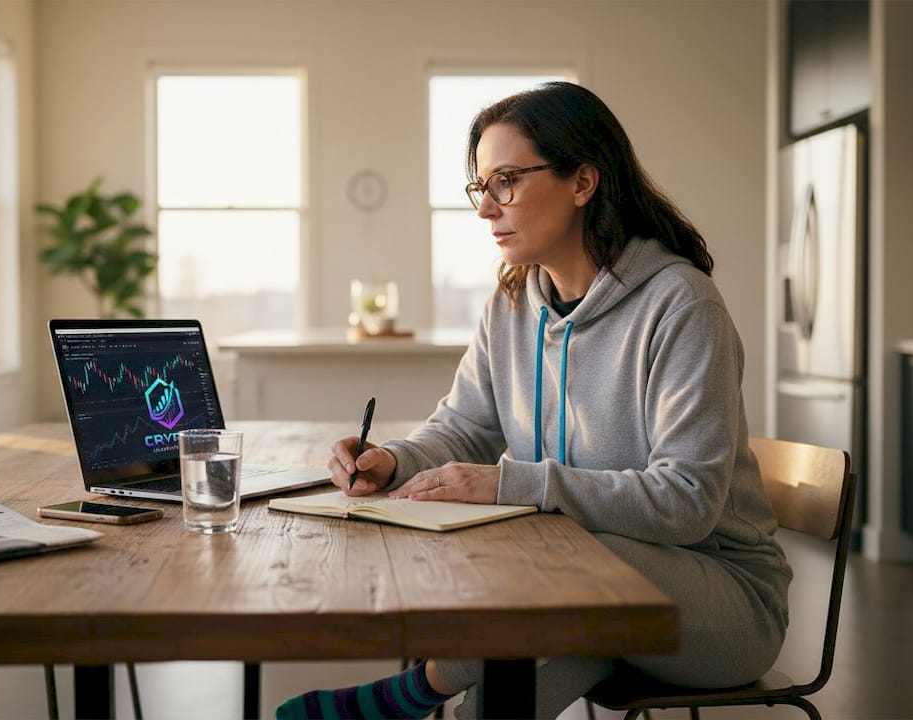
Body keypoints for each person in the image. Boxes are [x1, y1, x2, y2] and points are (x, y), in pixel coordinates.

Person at [275, 81, 791, 720]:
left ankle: (409, 693)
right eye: (481, 187)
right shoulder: (512, 302)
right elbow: (464, 428)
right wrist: (395, 460)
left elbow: (686, 502)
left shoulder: (682, 306)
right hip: (591, 592)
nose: (487, 209)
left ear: (583, 182)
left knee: (546, 559)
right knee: (500, 694)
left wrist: (509, 483)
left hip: (720, 601)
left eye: (508, 182)